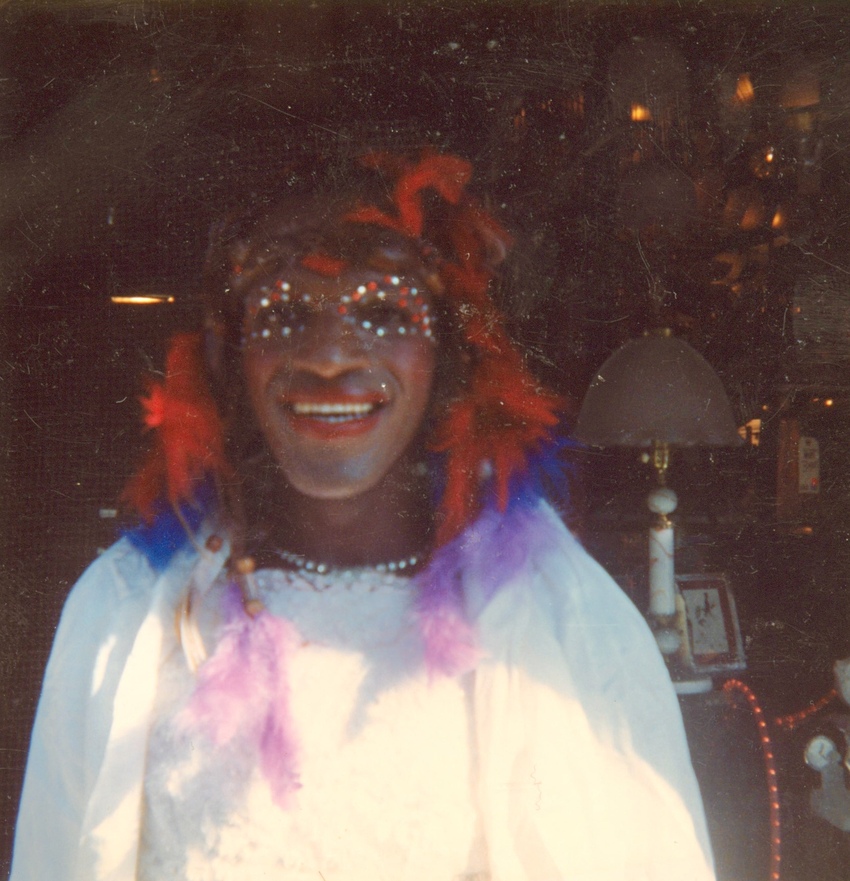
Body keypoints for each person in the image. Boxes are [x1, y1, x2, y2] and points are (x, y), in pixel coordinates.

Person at [11, 150, 717, 880]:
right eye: (283, 313)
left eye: (384, 312)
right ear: (229, 356)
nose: (329, 357)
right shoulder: (124, 614)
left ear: (450, 356)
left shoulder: (564, 614)